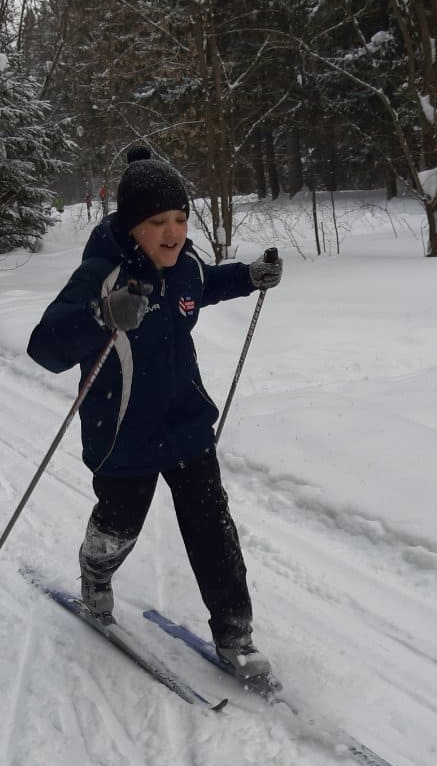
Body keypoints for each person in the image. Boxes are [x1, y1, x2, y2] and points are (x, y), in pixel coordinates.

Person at [27, 145, 283, 680]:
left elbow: (204, 285)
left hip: (187, 424)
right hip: (123, 434)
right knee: (119, 527)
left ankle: (236, 636)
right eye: (158, 221)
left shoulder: (185, 263)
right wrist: (103, 315)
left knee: (214, 529)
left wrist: (251, 276)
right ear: (131, 224)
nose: (173, 232)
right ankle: (95, 574)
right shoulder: (103, 274)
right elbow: (45, 348)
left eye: (181, 218)